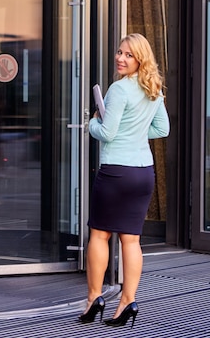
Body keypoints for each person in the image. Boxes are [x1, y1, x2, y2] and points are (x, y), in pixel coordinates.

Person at [79, 33, 170, 328]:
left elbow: (106, 133)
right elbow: (162, 129)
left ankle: (94, 298)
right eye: (119, 52)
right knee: (131, 239)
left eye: (128, 55)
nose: (120, 58)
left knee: (100, 235)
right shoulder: (153, 88)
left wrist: (91, 122)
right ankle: (127, 302)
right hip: (143, 172)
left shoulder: (118, 90)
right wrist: (135, 133)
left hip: (116, 172)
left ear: (140, 58)